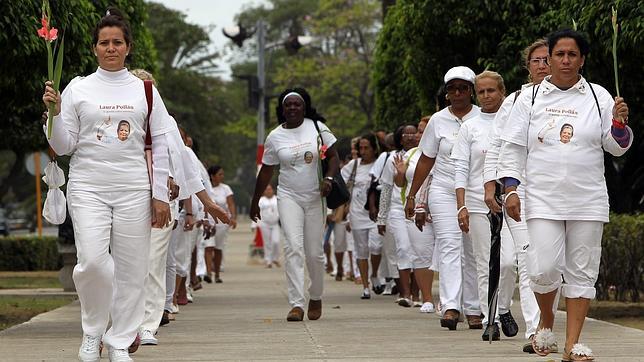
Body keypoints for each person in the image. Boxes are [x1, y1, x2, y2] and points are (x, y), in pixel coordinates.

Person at [41, 8, 230, 362]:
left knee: (132, 268)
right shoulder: (78, 88)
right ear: (95, 48)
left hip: (133, 188)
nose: (110, 48)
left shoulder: (144, 91)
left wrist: (160, 197)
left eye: (117, 42)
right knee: (93, 263)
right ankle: (92, 332)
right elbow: (64, 145)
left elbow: (162, 145)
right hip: (89, 186)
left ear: (128, 47)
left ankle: (119, 341)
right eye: (103, 43)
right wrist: (51, 115)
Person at [497, 29, 632, 361]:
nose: (566, 60)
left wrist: (619, 124)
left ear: (582, 59)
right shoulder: (527, 98)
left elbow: (617, 147)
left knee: (582, 271)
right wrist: (510, 189)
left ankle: (573, 343)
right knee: (541, 268)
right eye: (559, 55)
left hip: (587, 199)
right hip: (542, 197)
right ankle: (546, 321)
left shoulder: (599, 96)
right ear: (549, 60)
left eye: (573, 55)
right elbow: (512, 148)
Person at [482, 39, 551, 353]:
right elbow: (497, 145)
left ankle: (536, 331)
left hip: (550, 190)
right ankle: (506, 309)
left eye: (547, 59)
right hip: (515, 188)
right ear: (528, 65)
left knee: (534, 261)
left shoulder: (572, 99)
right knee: (510, 261)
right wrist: (490, 186)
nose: (542, 65)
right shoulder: (515, 101)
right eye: (536, 60)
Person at [250, 87, 340, 322]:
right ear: (281, 109)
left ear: (304, 106)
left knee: (314, 253)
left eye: (296, 104)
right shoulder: (275, 136)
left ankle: (316, 296)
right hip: (289, 195)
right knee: (292, 248)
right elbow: (267, 170)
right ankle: (297, 304)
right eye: (287, 105)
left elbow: (333, 157)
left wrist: (329, 179)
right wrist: (255, 200)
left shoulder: (317, 128)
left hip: (315, 197)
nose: (292, 108)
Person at [404, 66, 481, 330]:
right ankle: (450, 306)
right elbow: (426, 159)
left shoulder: (484, 117)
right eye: (452, 89)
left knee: (472, 249)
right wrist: (412, 195)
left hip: (475, 191)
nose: (457, 93)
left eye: (463, 88)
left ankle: (474, 308)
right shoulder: (438, 120)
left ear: (471, 90)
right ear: (446, 93)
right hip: (445, 189)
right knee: (450, 245)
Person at [452, 70, 508, 341]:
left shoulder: (513, 120)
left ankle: (505, 307)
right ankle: (491, 317)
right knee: (485, 260)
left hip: (512, 198)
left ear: (502, 91)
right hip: (476, 201)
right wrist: (461, 206)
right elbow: (461, 167)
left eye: (491, 91)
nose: (486, 96)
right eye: (482, 91)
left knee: (509, 263)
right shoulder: (470, 126)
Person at [377, 124, 419, 307]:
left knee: (419, 250)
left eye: (413, 133)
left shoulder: (423, 156)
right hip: (397, 209)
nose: (410, 137)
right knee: (403, 248)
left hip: (419, 208)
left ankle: (418, 294)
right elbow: (386, 189)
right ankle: (405, 293)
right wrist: (381, 217)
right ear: (400, 138)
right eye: (405, 134)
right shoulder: (393, 158)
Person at [400, 116, 436, 313]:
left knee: (450, 253)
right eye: (419, 131)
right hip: (416, 209)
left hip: (442, 207)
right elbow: (400, 182)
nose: (419, 135)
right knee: (421, 254)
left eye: (423, 131)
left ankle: (452, 300)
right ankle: (427, 298)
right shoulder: (412, 154)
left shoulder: (445, 150)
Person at [341, 133, 384, 300]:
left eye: (367, 148)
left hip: (375, 215)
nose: (363, 151)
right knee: (361, 250)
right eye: (361, 148)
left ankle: (374, 274)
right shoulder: (354, 165)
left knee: (376, 247)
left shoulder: (379, 164)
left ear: (374, 148)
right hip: (357, 214)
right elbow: (340, 182)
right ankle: (366, 286)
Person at [207, 165, 237, 283]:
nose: (222, 177)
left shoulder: (226, 188)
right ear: (212, 176)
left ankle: (217, 274)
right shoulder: (206, 188)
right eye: (219, 174)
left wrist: (233, 218)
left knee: (218, 248)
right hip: (209, 221)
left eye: (222, 174)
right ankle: (208, 273)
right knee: (208, 247)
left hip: (222, 222)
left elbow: (231, 204)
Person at [258, 184, 281, 268]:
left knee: (276, 241)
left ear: (273, 190)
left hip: (275, 224)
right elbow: (257, 213)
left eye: (270, 189)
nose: (268, 191)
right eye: (266, 189)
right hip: (264, 224)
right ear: (264, 191)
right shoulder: (261, 200)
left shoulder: (277, 199)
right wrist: (254, 224)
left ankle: (275, 258)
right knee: (267, 243)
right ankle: (268, 260)